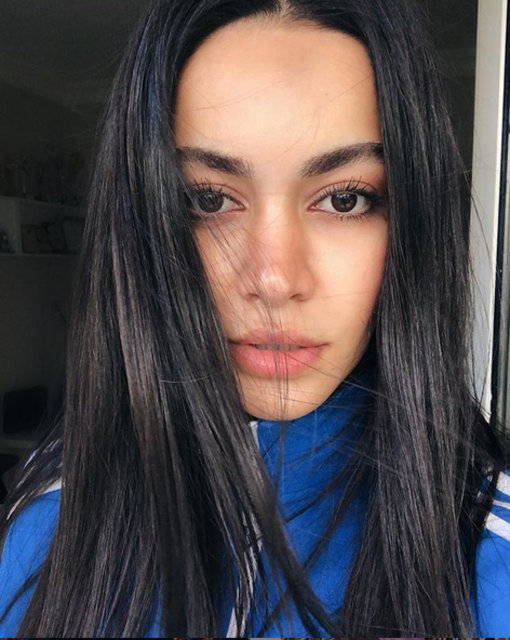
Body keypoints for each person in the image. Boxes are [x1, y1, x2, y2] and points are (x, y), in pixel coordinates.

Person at [0, 0, 509, 636]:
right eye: (208, 199)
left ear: (412, 219)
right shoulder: (51, 520)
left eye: (344, 199)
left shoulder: (492, 555)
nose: (272, 280)